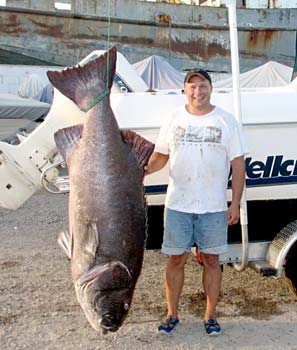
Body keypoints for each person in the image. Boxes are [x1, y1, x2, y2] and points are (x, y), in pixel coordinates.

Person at [145, 69, 247, 336]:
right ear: (184, 90)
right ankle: (171, 315)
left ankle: (210, 316)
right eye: (192, 87)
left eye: (202, 86)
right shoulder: (173, 118)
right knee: (175, 260)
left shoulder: (226, 121)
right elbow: (160, 156)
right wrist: (141, 171)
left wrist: (234, 203)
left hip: (213, 207)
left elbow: (238, 165)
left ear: (211, 89)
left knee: (212, 261)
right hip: (178, 204)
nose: (197, 92)